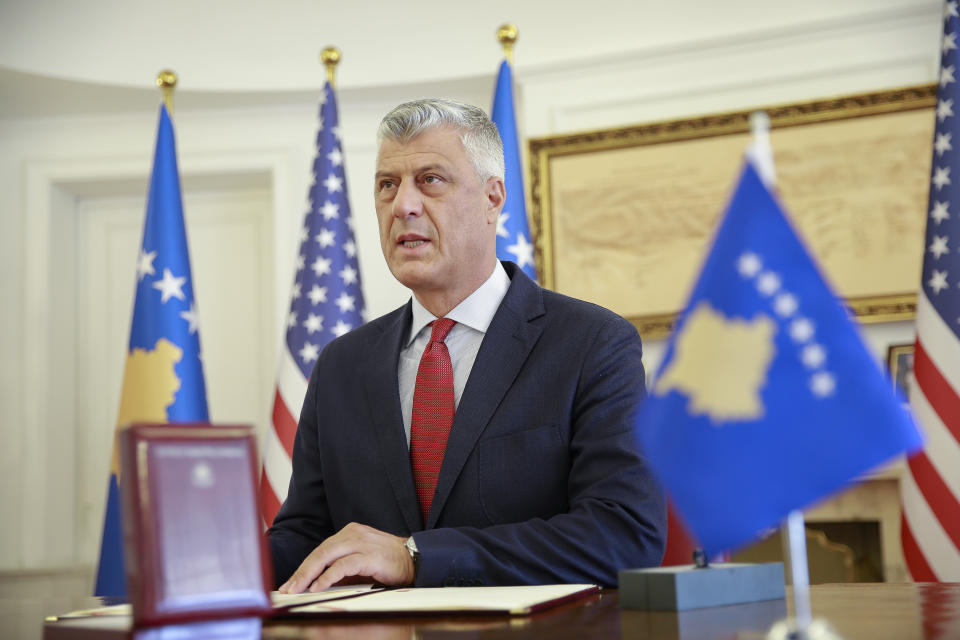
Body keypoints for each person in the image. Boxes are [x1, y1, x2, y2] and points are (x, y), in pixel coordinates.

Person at [268, 98, 666, 593]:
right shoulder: (341, 365)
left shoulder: (593, 345)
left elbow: (623, 535)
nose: (403, 205)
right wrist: (202, 559)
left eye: (430, 180)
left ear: (492, 198)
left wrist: (416, 557)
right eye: (387, 184)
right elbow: (306, 534)